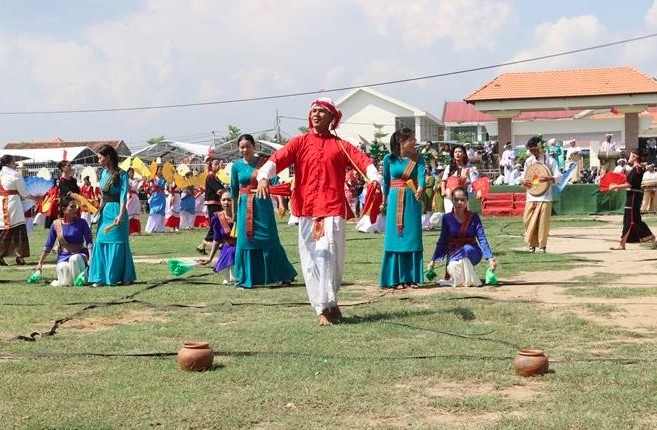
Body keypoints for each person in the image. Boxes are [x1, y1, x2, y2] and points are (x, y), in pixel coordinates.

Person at [256, 97, 382, 326]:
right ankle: (322, 307)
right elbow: (277, 159)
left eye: (322, 112)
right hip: (306, 210)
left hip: (333, 209)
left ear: (332, 118)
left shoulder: (341, 145)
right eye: (313, 111)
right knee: (312, 260)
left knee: (331, 259)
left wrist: (374, 177)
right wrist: (264, 176)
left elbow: (362, 161)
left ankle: (330, 302)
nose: (316, 115)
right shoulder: (299, 142)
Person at [231, 133, 297, 289]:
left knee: (270, 238)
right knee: (245, 240)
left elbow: (274, 184)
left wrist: (281, 204)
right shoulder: (236, 167)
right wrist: (234, 214)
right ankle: (246, 278)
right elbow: (234, 191)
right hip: (244, 207)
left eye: (248, 146)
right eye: (242, 147)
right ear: (238, 149)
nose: (245, 149)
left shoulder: (263, 164)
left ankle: (281, 275)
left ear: (254, 147)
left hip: (263, 205)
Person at [379, 128, 425, 289]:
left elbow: (421, 176)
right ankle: (395, 278)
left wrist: (420, 188)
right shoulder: (388, 159)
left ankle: (412, 278)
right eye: (411, 139)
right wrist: (383, 201)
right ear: (401, 141)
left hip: (412, 199)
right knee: (395, 238)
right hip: (393, 199)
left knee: (412, 236)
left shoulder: (418, 158)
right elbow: (385, 181)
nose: (414, 142)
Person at [87, 144, 137, 286]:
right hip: (105, 211)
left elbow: (123, 195)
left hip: (117, 210)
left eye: (100, 158)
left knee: (118, 243)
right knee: (101, 241)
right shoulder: (102, 173)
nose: (98, 160)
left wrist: (121, 214)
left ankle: (120, 277)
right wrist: (98, 209)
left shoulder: (122, 174)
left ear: (108, 157)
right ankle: (99, 277)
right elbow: (103, 195)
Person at [427, 187, 497, 287]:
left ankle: (468, 279)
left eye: (462, 200)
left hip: (472, 252)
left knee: (466, 249)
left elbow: (482, 238)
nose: (459, 202)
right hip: (453, 253)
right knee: (453, 266)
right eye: (456, 200)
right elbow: (442, 241)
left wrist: (490, 258)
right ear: (452, 200)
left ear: (467, 201)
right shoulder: (446, 218)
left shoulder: (474, 217)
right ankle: (465, 280)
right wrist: (433, 260)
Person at [34, 196, 93, 286]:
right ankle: (68, 282)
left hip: (80, 254)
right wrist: (40, 263)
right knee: (63, 268)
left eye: (75, 206)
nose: (75, 209)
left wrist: (91, 258)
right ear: (64, 209)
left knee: (74, 259)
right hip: (63, 256)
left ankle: (81, 282)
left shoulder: (82, 222)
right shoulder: (56, 224)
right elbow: (48, 246)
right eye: (72, 207)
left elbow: (89, 242)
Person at [608, 150, 657, 250]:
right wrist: (619, 187)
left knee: (630, 219)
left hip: (633, 196)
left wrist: (615, 186)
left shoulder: (637, 169)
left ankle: (624, 243)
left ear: (635, 156)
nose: (628, 157)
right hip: (632, 195)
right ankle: (624, 243)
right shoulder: (636, 169)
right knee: (632, 220)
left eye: (630, 155)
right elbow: (630, 184)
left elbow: (630, 185)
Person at [521, 136, 562, 253]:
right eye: (531, 150)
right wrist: (523, 181)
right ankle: (531, 243)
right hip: (531, 194)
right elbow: (524, 176)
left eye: (535, 149)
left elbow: (559, 177)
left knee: (543, 221)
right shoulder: (529, 161)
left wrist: (550, 178)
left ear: (541, 148)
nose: (534, 152)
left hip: (545, 196)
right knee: (527, 219)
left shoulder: (550, 161)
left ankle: (542, 246)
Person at [0, 154, 35, 266]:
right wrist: (35, 198)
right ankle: (19, 256)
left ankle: (2, 255)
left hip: (2, 203)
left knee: (4, 229)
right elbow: (24, 193)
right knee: (18, 229)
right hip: (13, 203)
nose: (15, 164)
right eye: (14, 162)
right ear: (9, 163)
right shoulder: (15, 175)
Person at [197, 190, 236, 284]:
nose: (226, 202)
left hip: (242, 247)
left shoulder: (240, 216)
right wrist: (210, 258)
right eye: (224, 200)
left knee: (233, 250)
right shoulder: (217, 218)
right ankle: (229, 275)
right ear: (220, 201)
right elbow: (216, 239)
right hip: (227, 248)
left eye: (229, 200)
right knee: (229, 250)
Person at [196, 157, 223, 254]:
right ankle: (210, 244)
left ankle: (204, 245)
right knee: (215, 225)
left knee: (217, 225)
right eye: (215, 164)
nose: (218, 166)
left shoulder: (215, 177)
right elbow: (219, 189)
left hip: (217, 204)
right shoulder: (210, 177)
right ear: (210, 166)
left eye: (218, 164)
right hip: (212, 204)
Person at [440, 144, 476, 213]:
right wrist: (443, 190)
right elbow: (443, 180)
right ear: (453, 154)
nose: (457, 154)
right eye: (455, 152)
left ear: (464, 154)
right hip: (449, 196)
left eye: (459, 151)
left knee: (463, 217)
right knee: (451, 217)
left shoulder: (469, 169)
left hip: (462, 197)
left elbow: (474, 182)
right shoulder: (449, 167)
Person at [145, 166, 166, 233]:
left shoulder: (164, 178)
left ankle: (159, 228)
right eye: (160, 169)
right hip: (155, 196)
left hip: (162, 196)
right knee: (153, 211)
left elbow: (170, 181)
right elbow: (147, 182)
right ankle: (150, 228)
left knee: (161, 211)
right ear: (156, 170)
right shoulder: (153, 178)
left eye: (162, 170)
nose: (161, 171)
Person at [126, 167, 142, 235]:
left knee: (135, 214)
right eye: (130, 172)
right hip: (129, 197)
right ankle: (129, 230)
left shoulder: (136, 180)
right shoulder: (126, 180)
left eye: (133, 172)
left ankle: (138, 230)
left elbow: (143, 178)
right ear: (128, 173)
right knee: (129, 213)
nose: (132, 174)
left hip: (135, 197)